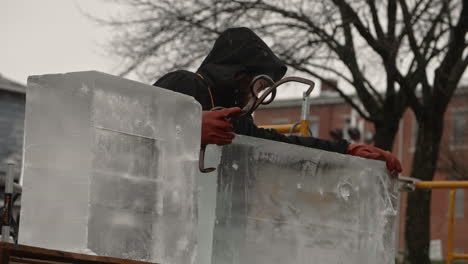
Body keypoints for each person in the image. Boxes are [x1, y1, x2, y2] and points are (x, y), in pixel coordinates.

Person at [153, 27, 402, 175]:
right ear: (237, 75)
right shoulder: (184, 84)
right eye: (258, 86)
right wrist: (189, 128)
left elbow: (281, 148)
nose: (256, 97)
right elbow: (135, 128)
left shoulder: (237, 123)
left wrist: (346, 151)